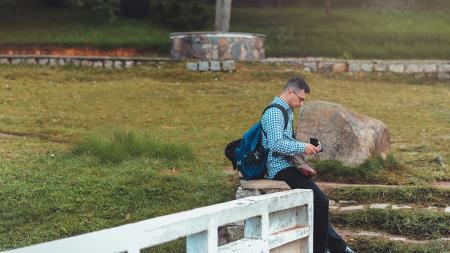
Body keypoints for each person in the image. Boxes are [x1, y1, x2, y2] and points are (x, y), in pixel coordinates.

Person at [261, 77, 355, 253]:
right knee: (320, 201)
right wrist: (302, 146)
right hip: (279, 168)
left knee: (318, 204)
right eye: (301, 99)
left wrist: (307, 148)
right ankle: (321, 249)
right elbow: (275, 143)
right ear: (290, 92)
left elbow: (285, 142)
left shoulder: (285, 110)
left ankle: (338, 248)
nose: (301, 104)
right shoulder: (275, 112)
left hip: (287, 165)